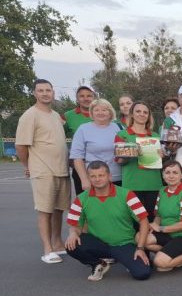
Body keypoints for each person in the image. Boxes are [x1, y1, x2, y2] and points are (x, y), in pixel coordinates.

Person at [65, 161, 152, 281]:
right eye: (93, 176)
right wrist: (73, 233)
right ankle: (98, 264)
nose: (97, 179)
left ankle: (124, 259)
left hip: (124, 244)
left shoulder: (127, 194)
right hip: (98, 244)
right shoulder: (81, 198)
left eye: (101, 175)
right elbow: (75, 225)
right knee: (71, 245)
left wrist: (140, 248)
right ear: (88, 178)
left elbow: (144, 221)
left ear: (109, 176)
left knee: (142, 273)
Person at [16, 79, 71, 264]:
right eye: (41, 90)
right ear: (34, 93)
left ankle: (57, 243)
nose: (45, 93)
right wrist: (28, 166)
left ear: (53, 93)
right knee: (45, 210)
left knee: (59, 209)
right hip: (43, 170)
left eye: (48, 90)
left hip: (61, 169)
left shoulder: (55, 115)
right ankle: (47, 250)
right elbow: (21, 146)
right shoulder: (30, 115)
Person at [143, 160, 182, 272]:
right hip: (169, 233)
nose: (171, 176)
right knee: (141, 238)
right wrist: (154, 225)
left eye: (175, 173)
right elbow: (158, 215)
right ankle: (173, 255)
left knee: (160, 262)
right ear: (163, 175)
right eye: (167, 172)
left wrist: (160, 228)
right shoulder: (162, 191)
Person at [114, 101, 162, 221]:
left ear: (149, 116)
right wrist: (129, 154)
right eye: (138, 111)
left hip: (153, 184)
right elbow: (119, 161)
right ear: (132, 114)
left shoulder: (155, 135)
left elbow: (160, 161)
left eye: (145, 112)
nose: (142, 114)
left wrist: (162, 155)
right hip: (132, 184)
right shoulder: (122, 134)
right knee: (135, 222)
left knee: (152, 220)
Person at [71, 98, 122, 189]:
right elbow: (77, 157)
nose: (100, 113)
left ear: (110, 112)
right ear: (92, 112)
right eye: (96, 110)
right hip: (95, 180)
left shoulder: (119, 128)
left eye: (104, 110)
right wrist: (84, 180)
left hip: (118, 178)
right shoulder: (83, 129)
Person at [62, 85, 94, 195]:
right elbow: (57, 136)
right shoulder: (68, 116)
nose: (86, 98)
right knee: (83, 198)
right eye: (82, 96)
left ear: (94, 98)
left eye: (89, 96)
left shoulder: (102, 113)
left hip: (102, 163)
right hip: (80, 165)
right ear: (77, 99)